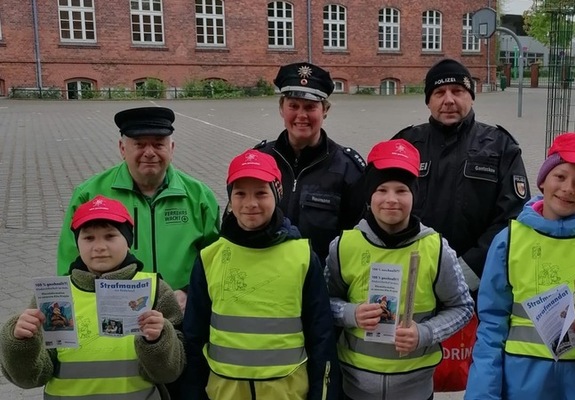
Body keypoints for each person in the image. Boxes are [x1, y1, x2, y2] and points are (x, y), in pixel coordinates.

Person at [465, 132, 575, 400]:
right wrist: (482, 394)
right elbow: (492, 325)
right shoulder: (510, 241)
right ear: (543, 180)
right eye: (560, 176)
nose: (568, 188)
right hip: (521, 385)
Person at [182, 149, 340, 400]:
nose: (250, 204)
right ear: (230, 199)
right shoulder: (209, 258)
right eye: (240, 193)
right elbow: (194, 337)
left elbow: (321, 337)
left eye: (261, 193)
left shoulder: (302, 256)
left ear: (277, 195)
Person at [326, 139, 474, 400]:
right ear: (369, 195)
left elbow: (462, 308)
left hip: (416, 389)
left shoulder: (436, 248)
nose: (391, 200)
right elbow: (324, 302)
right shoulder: (344, 245)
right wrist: (351, 313)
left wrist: (425, 333)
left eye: (402, 190)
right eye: (381, 189)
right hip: (355, 388)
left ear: (414, 195)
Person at [1, 195, 185, 398]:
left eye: (110, 236)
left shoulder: (154, 289)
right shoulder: (54, 295)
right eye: (88, 238)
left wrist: (158, 339)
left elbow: (171, 371)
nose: (99, 247)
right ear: (77, 243)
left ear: (128, 241)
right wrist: (20, 342)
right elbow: (30, 378)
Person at [56, 106, 220, 313]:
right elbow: (69, 262)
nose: (149, 153)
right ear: (122, 148)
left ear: (172, 148)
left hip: (181, 311)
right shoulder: (89, 195)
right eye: (139, 144)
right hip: (112, 314)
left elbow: (215, 259)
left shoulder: (199, 196)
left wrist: (190, 292)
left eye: (158, 144)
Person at [393, 58, 530, 294]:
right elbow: (382, 205)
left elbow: (513, 217)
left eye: (457, 91)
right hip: (413, 275)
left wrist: (467, 271)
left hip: (479, 281)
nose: (449, 100)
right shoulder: (405, 144)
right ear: (428, 101)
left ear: (471, 96)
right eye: (439, 92)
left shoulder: (500, 146)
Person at [253, 62, 366, 261]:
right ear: (281, 108)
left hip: (323, 282)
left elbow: (358, 239)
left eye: (310, 107)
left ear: (325, 110)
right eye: (293, 106)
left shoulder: (348, 168)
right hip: (266, 278)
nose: (301, 115)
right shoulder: (259, 160)